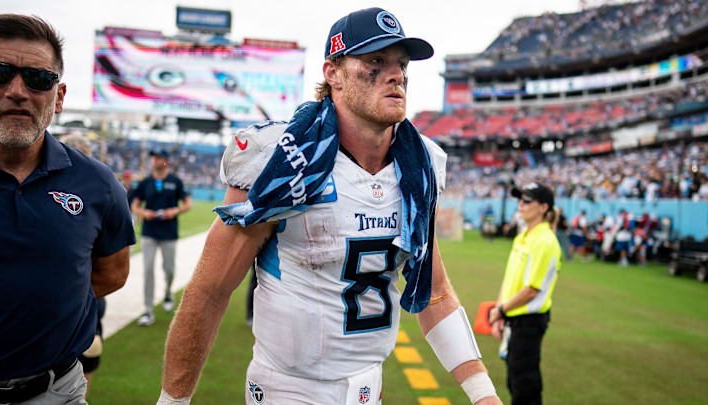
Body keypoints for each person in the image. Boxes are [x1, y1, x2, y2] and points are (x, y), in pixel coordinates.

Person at [158, 8, 502, 405]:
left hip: (367, 389)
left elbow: (434, 292)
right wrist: (173, 401)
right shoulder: (280, 159)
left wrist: (483, 395)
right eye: (375, 61)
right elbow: (211, 290)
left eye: (402, 64)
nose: (397, 75)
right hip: (285, 389)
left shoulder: (420, 164)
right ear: (333, 72)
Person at [0, 13, 134, 404]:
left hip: (55, 392)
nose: (17, 90)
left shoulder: (99, 185)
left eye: (38, 79)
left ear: (60, 97)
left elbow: (112, 274)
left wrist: (44, 301)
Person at [488, 183, 561, 405]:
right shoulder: (523, 236)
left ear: (543, 207)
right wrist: (501, 311)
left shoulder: (545, 241)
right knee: (515, 382)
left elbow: (531, 290)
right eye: (519, 199)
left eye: (527, 200)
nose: (520, 204)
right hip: (513, 318)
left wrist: (500, 310)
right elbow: (510, 279)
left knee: (525, 388)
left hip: (528, 322)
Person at [60, 133, 108, 397]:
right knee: (88, 348)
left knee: (89, 348)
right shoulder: (99, 186)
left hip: (83, 287)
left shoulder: (100, 188)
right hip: (85, 286)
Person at [132, 149, 192, 326]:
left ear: (165, 161)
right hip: (149, 232)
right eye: (153, 158)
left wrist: (174, 211)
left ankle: (167, 292)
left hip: (169, 233)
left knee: (169, 270)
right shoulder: (145, 183)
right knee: (148, 270)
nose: (154, 161)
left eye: (158, 158)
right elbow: (135, 206)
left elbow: (188, 204)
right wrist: (144, 212)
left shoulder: (175, 182)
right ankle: (148, 311)